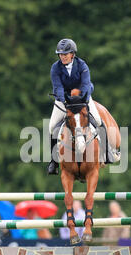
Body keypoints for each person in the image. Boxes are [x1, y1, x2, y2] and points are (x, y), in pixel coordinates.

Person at [47, 38, 112, 175]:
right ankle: (53, 162)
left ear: (73, 54)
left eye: (65, 54)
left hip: (82, 99)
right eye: (60, 54)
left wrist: (81, 99)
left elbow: (86, 85)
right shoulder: (55, 68)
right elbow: (57, 88)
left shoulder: (82, 65)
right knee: (52, 126)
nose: (62, 56)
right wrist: (66, 101)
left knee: (99, 121)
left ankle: (107, 154)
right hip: (64, 100)